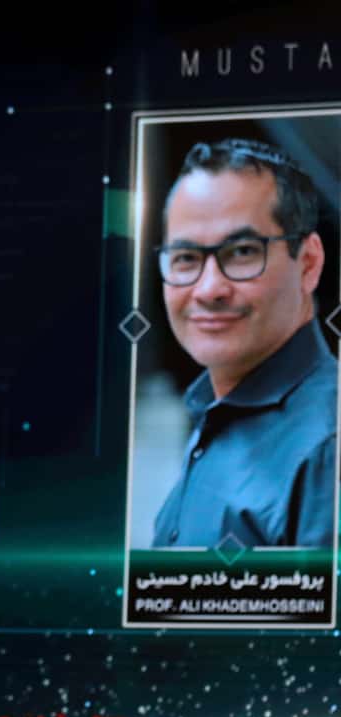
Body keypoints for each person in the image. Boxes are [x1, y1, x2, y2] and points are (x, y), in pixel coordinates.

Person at [151, 138, 335, 549]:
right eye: (186, 258)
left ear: (308, 264)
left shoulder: (325, 451)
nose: (208, 289)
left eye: (243, 252)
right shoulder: (215, 409)